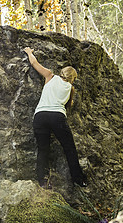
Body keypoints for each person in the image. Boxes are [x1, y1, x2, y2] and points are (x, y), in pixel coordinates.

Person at [24, 47, 87, 188]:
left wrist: (29, 52)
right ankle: (78, 179)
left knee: (43, 149)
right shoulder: (70, 89)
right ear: (73, 78)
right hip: (57, 116)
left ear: (62, 73)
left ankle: (43, 181)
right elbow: (68, 105)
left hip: (40, 116)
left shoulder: (50, 76)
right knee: (69, 148)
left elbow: (35, 64)